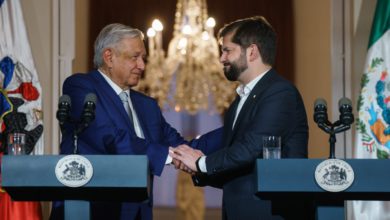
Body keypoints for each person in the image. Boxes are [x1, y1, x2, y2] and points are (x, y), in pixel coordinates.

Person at [49, 23, 221, 220]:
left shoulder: (146, 105)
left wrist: (236, 128)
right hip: (89, 210)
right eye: (135, 57)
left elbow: (183, 147)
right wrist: (168, 155)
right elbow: (109, 137)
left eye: (143, 58)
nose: (142, 65)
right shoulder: (82, 87)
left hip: (137, 212)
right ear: (109, 57)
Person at [171, 16, 309, 220]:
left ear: (251, 51)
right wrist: (190, 161)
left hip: (270, 213)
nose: (221, 58)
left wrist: (201, 163)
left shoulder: (280, 93)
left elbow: (251, 147)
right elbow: (231, 153)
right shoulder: (240, 100)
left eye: (227, 50)